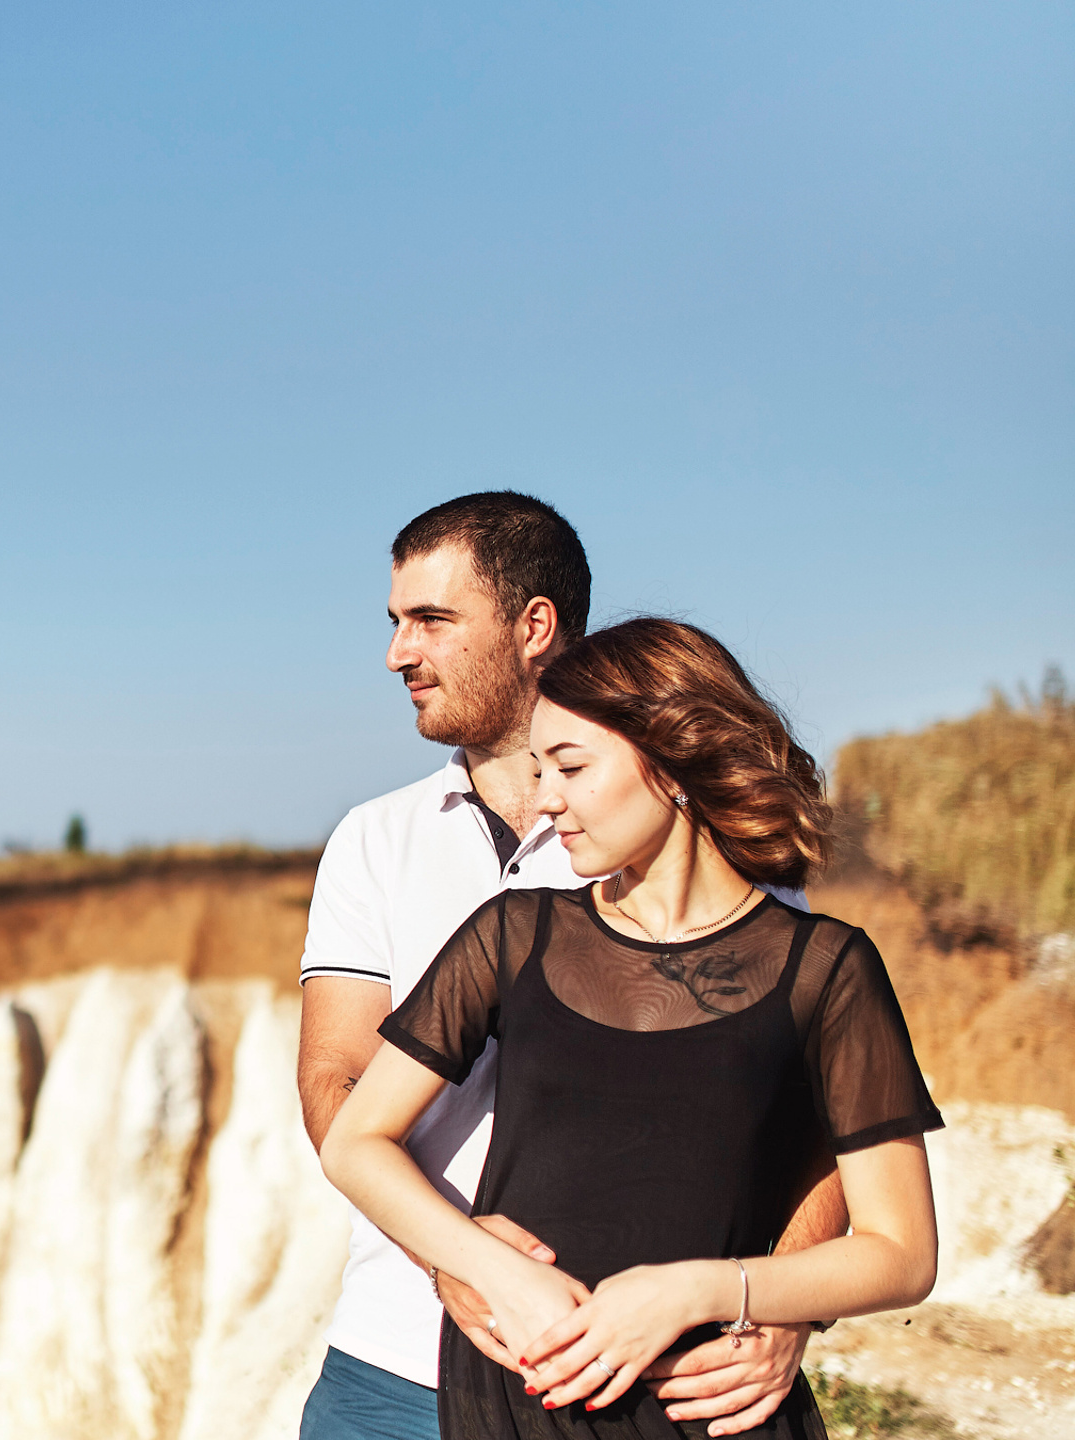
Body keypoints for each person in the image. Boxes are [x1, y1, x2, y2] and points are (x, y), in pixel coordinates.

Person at [296, 493, 837, 1440]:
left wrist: (782, 1310)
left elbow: (819, 1125)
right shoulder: (373, 841)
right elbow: (334, 1076)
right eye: (394, 623)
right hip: (394, 1369)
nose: (397, 654)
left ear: (533, 625)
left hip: (646, 1381)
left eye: (431, 620)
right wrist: (451, 1261)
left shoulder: (701, 849)